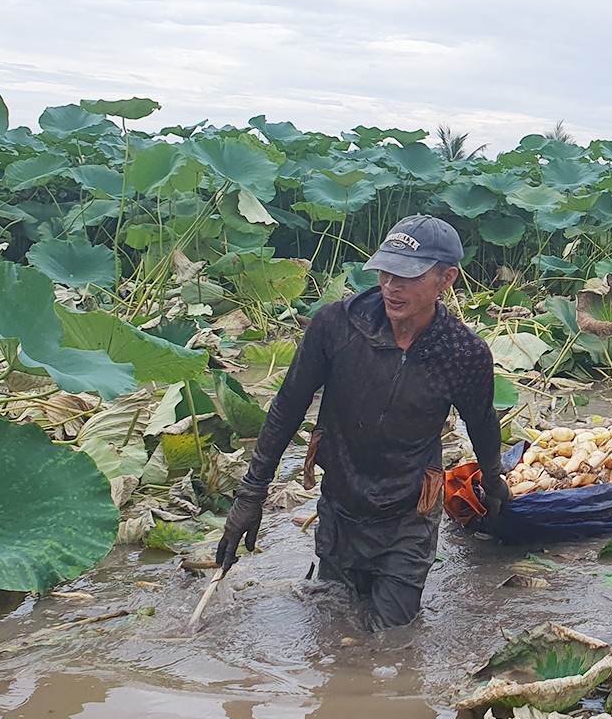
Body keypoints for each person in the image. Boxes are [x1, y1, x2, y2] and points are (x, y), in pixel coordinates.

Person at [215, 215, 509, 630]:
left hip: (409, 510)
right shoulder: (336, 324)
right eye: (386, 271)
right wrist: (250, 495)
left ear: (447, 279)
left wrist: (494, 480)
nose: (392, 286)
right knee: (335, 628)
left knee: (392, 639)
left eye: (409, 276)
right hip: (341, 503)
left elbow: (481, 422)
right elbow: (287, 406)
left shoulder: (463, 353)